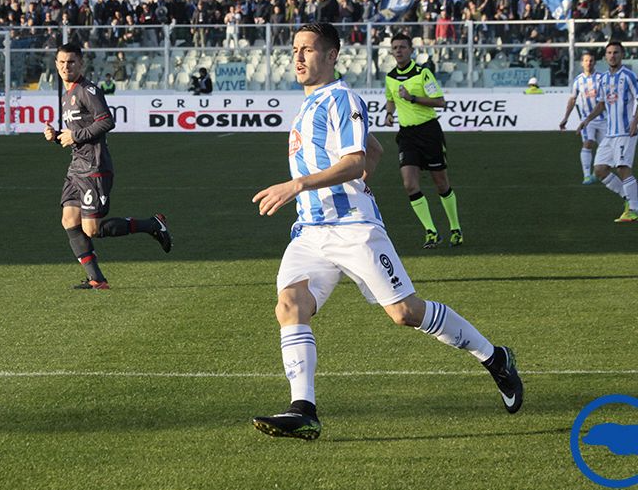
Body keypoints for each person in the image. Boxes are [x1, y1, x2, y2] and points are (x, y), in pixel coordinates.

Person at [250, 23, 523, 441]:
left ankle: (495, 358)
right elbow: (374, 151)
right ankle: (303, 410)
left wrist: (300, 184)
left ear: (332, 55)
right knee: (289, 305)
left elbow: (357, 158)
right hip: (310, 232)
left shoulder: (341, 98)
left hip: (353, 229)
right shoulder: (308, 106)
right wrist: (357, 179)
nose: (299, 58)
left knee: (405, 314)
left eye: (308, 50)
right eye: (295, 50)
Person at [43, 43, 173, 290]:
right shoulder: (67, 93)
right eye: (61, 62)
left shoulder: (87, 90)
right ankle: (97, 279)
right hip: (76, 167)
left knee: (91, 229)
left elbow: (106, 122)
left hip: (94, 167)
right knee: (69, 220)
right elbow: (78, 131)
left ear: (80, 64)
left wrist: (75, 136)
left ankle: (152, 224)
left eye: (70, 62)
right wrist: (58, 135)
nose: (64, 66)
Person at [384, 33, 462, 249]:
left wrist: (413, 99)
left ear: (411, 50)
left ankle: (455, 228)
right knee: (409, 184)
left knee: (441, 183)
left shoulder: (423, 73)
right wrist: (389, 114)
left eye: (402, 47)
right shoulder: (390, 77)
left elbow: (440, 102)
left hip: (429, 133)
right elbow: (390, 99)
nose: (398, 50)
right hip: (407, 135)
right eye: (395, 47)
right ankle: (431, 231)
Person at [577, 41, 638, 222]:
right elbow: (602, 103)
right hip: (610, 133)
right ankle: (629, 198)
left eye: (616, 53)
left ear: (622, 55)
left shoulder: (628, 76)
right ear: (605, 56)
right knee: (600, 170)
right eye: (609, 53)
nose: (612, 56)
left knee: (622, 168)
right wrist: (587, 119)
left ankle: (634, 209)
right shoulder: (603, 79)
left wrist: (635, 121)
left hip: (626, 131)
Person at [560, 52, 605, 184]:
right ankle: (586, 175)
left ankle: (596, 172)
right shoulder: (578, 80)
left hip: (604, 118)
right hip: (587, 120)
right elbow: (573, 99)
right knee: (588, 142)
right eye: (586, 61)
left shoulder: (602, 78)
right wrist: (565, 117)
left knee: (605, 148)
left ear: (594, 62)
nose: (588, 63)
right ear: (581, 63)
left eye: (591, 61)